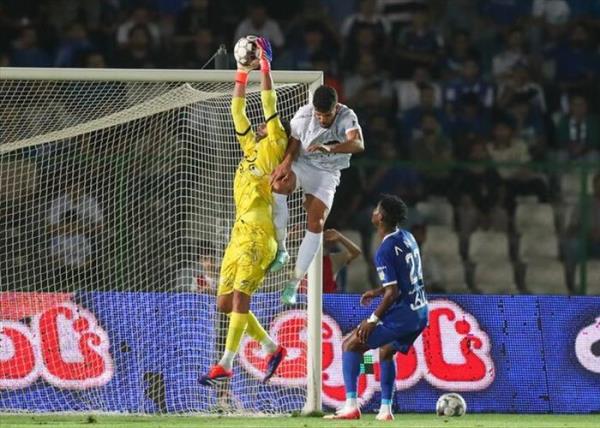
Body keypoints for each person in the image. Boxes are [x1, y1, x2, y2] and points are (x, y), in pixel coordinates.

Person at [199, 38, 287, 386]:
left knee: (240, 297)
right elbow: (237, 112)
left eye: (266, 123)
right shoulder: (250, 146)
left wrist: (264, 67)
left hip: (259, 233)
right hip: (238, 233)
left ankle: (226, 363)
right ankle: (271, 347)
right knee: (224, 303)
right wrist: (240, 72)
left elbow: (268, 102)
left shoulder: (276, 143)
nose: (262, 124)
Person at [323, 194, 428, 420]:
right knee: (386, 351)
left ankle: (351, 406)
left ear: (381, 218)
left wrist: (372, 320)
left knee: (351, 345)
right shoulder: (407, 237)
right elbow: (405, 281)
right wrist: (378, 291)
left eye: (376, 210)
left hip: (403, 315)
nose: (373, 212)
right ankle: (385, 410)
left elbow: (393, 293)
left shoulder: (384, 250)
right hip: (421, 312)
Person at [269, 84, 364, 305]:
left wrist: (330, 148)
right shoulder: (304, 115)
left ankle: (293, 283)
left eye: (327, 115)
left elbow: (358, 143)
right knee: (279, 185)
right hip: (303, 165)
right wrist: (286, 163)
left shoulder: (347, 116)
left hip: (327, 173)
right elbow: (295, 142)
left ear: (336, 108)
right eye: (318, 115)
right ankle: (281, 249)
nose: (322, 119)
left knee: (317, 222)